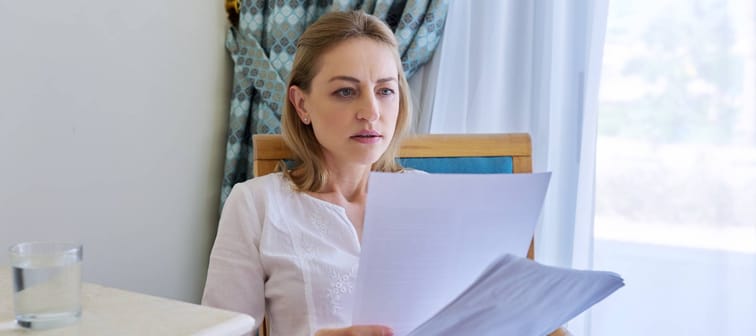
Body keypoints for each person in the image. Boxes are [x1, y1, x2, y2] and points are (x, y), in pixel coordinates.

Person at [202, 10, 412, 336]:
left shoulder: (434, 198)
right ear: (302, 104)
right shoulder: (256, 205)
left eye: (385, 90)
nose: (371, 112)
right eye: (346, 91)